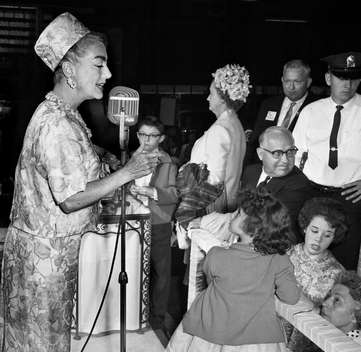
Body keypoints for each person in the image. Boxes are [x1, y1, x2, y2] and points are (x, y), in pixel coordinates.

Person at [0, 12, 159, 352]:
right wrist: (128, 171)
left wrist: (108, 158)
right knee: (41, 343)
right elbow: (71, 199)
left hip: (48, 256)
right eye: (99, 65)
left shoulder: (66, 115)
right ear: (70, 70)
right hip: (43, 262)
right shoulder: (58, 124)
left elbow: (80, 156)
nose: (109, 74)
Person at [166, 188, 300, 352]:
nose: (232, 215)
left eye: (238, 215)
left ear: (253, 228)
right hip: (257, 338)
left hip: (211, 330)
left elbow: (211, 281)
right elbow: (291, 297)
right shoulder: (280, 259)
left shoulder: (216, 255)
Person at [293, 51, 361, 270]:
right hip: (311, 192)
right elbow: (294, 153)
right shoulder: (311, 112)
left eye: (353, 78)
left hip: (349, 196)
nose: (348, 84)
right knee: (305, 261)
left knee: (343, 265)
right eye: (341, 77)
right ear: (329, 78)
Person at [129, 116, 178, 340]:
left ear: (161, 138)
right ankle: (134, 313)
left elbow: (174, 194)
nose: (147, 140)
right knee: (135, 269)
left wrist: (152, 193)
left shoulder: (167, 162)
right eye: (142, 134)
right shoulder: (133, 158)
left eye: (152, 136)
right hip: (134, 221)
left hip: (158, 223)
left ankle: (157, 319)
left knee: (160, 274)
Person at [285, 197, 347, 350]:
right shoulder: (285, 254)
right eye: (314, 230)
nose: (318, 239)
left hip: (303, 342)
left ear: (334, 237)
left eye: (327, 235)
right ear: (305, 227)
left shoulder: (337, 273)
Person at [189, 63, 251, 213]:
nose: (208, 98)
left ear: (223, 98)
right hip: (228, 202)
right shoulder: (235, 124)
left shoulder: (220, 129)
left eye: (212, 93)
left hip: (212, 209)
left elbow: (214, 180)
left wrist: (190, 210)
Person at [241, 126, 313, 242]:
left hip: (271, 246)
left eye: (290, 152)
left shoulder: (299, 185)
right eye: (277, 153)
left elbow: (270, 225)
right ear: (260, 154)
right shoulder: (250, 172)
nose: (285, 160)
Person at [245, 59, 317, 165]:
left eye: (297, 82)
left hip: (296, 171)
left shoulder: (316, 107)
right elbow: (255, 141)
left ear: (308, 82)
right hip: (263, 167)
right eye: (287, 81)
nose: (291, 87)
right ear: (282, 80)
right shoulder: (268, 104)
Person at [289, 270, 361, 351]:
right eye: (328, 296)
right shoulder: (329, 337)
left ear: (355, 315)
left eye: (337, 300)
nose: (325, 303)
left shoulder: (353, 347)